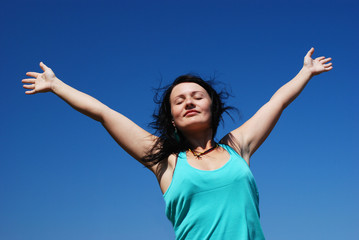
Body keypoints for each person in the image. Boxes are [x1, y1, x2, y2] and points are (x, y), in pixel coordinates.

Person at [22, 48, 332, 240]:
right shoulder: (165, 161)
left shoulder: (238, 146)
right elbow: (105, 114)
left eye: (198, 97)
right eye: (179, 100)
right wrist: (56, 85)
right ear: (171, 118)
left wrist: (305, 72)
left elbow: (276, 102)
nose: (189, 102)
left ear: (214, 107)